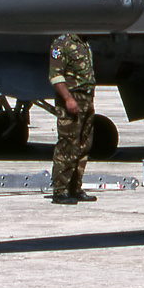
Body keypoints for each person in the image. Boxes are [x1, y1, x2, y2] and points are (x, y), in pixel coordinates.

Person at [48, 34, 97, 204]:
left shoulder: (84, 42)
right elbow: (55, 76)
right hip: (72, 97)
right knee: (67, 144)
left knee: (84, 144)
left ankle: (75, 188)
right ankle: (60, 190)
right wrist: (68, 99)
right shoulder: (62, 43)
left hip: (87, 98)